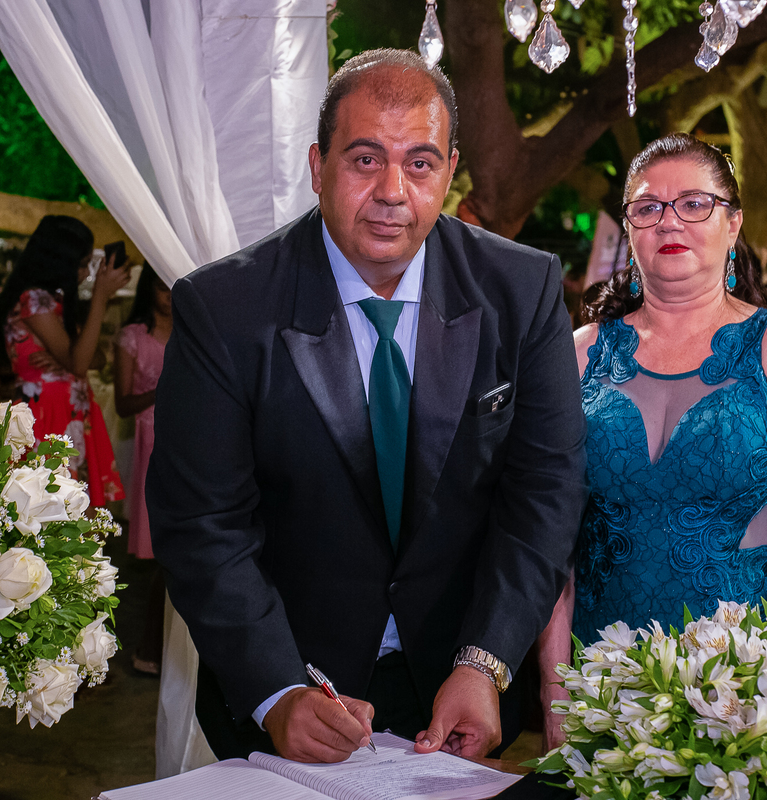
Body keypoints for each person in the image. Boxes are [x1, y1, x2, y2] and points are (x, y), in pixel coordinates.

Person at [147, 49, 586, 764]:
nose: (392, 191)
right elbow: (202, 523)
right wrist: (276, 691)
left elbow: (546, 493)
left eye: (420, 163)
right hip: (291, 692)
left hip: (457, 687)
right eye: (364, 160)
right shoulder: (223, 308)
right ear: (317, 166)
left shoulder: (523, 289)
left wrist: (486, 662)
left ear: (450, 170)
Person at [536, 132, 767, 750]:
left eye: (693, 203)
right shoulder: (579, 356)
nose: (669, 221)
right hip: (603, 690)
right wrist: (556, 694)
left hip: (749, 701)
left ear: (733, 224)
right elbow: (550, 545)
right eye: (648, 207)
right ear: (629, 228)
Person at [0, 215, 127, 507]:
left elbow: (96, 359)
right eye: (82, 264)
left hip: (69, 410)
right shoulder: (34, 300)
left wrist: (70, 357)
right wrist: (100, 297)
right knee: (54, 506)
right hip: (46, 413)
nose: (87, 273)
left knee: (77, 508)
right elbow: (80, 363)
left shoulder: (53, 302)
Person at [114, 262, 171, 676]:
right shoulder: (133, 337)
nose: (169, 296)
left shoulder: (192, 328)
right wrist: (164, 390)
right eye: (161, 287)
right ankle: (151, 648)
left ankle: (160, 650)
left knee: (174, 554)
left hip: (187, 435)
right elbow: (122, 404)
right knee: (162, 553)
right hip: (151, 442)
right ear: (148, 290)